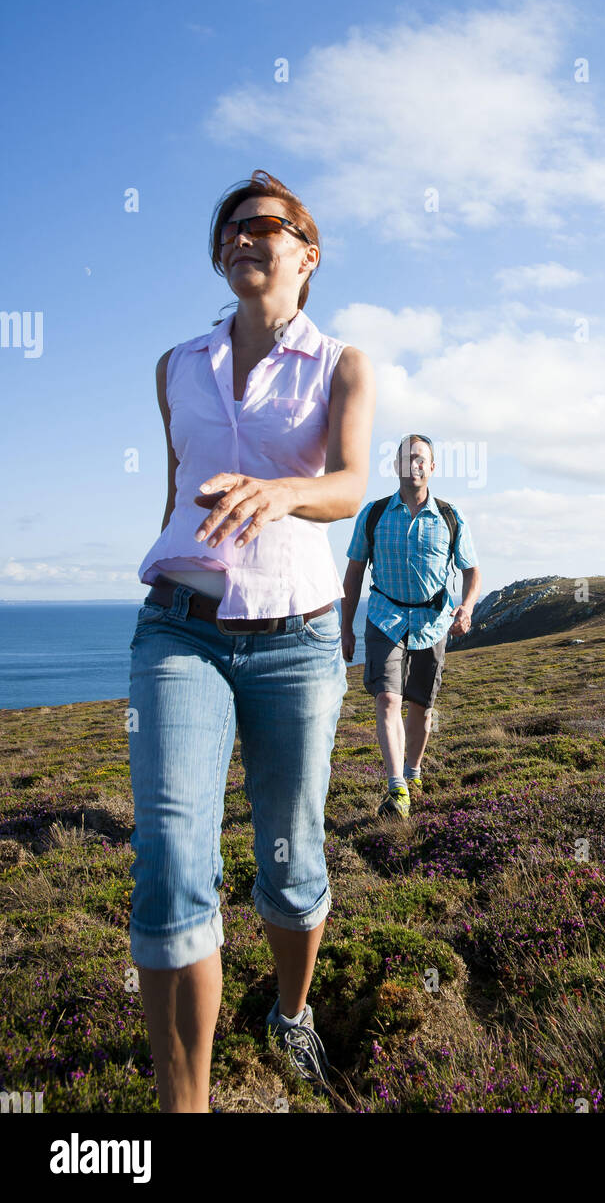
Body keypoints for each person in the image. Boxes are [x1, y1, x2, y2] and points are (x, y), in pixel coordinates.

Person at [127, 169, 375, 1112]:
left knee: (290, 853)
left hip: (297, 636)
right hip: (179, 630)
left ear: (306, 256)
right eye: (229, 227)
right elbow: (176, 483)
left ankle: (291, 1010)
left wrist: (279, 494)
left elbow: (351, 483)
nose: (243, 236)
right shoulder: (174, 365)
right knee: (172, 859)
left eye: (266, 225)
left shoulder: (342, 364)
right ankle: (181, 1110)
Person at [341, 435, 482, 817]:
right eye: (406, 458)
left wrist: (466, 608)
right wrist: (346, 628)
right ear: (396, 467)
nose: (413, 465)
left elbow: (472, 572)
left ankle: (413, 771)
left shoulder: (451, 517)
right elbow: (353, 573)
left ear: (432, 467)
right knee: (388, 699)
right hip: (384, 618)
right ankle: (397, 788)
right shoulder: (373, 514)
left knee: (421, 706)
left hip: (433, 622)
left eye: (420, 459)